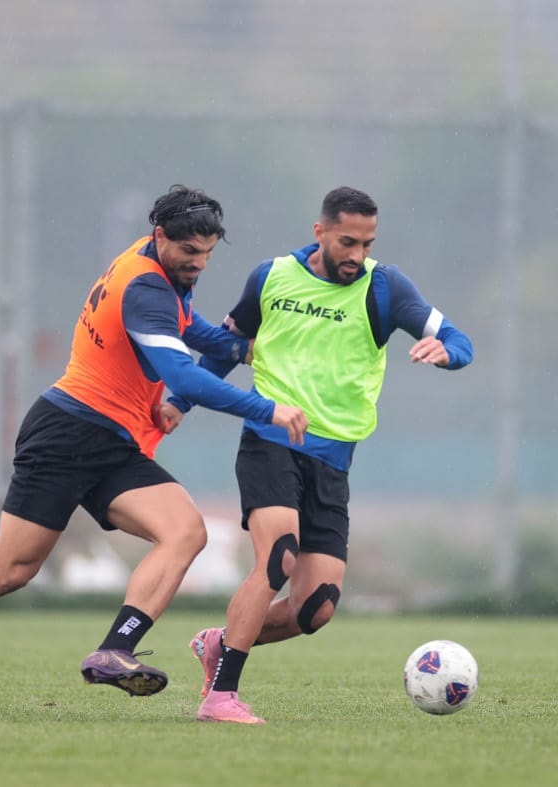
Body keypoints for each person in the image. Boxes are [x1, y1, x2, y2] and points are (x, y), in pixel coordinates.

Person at [0, 185, 307, 718]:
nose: (198, 263)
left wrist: (247, 346)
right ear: (160, 236)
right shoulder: (145, 286)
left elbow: (190, 330)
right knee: (9, 570)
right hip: (65, 434)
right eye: (189, 251)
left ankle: (115, 650)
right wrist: (266, 409)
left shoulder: (159, 269)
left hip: (113, 443)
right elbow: (182, 374)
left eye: (207, 254)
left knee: (185, 532)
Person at [183, 186, 474, 724]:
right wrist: (178, 402)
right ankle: (221, 696)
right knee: (279, 557)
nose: (357, 255)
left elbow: (460, 340)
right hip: (271, 439)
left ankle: (220, 643)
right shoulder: (270, 277)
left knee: (314, 609)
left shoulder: (385, 287)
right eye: (347, 242)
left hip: (333, 461)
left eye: (367, 244)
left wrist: (447, 352)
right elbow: (226, 348)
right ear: (319, 232)